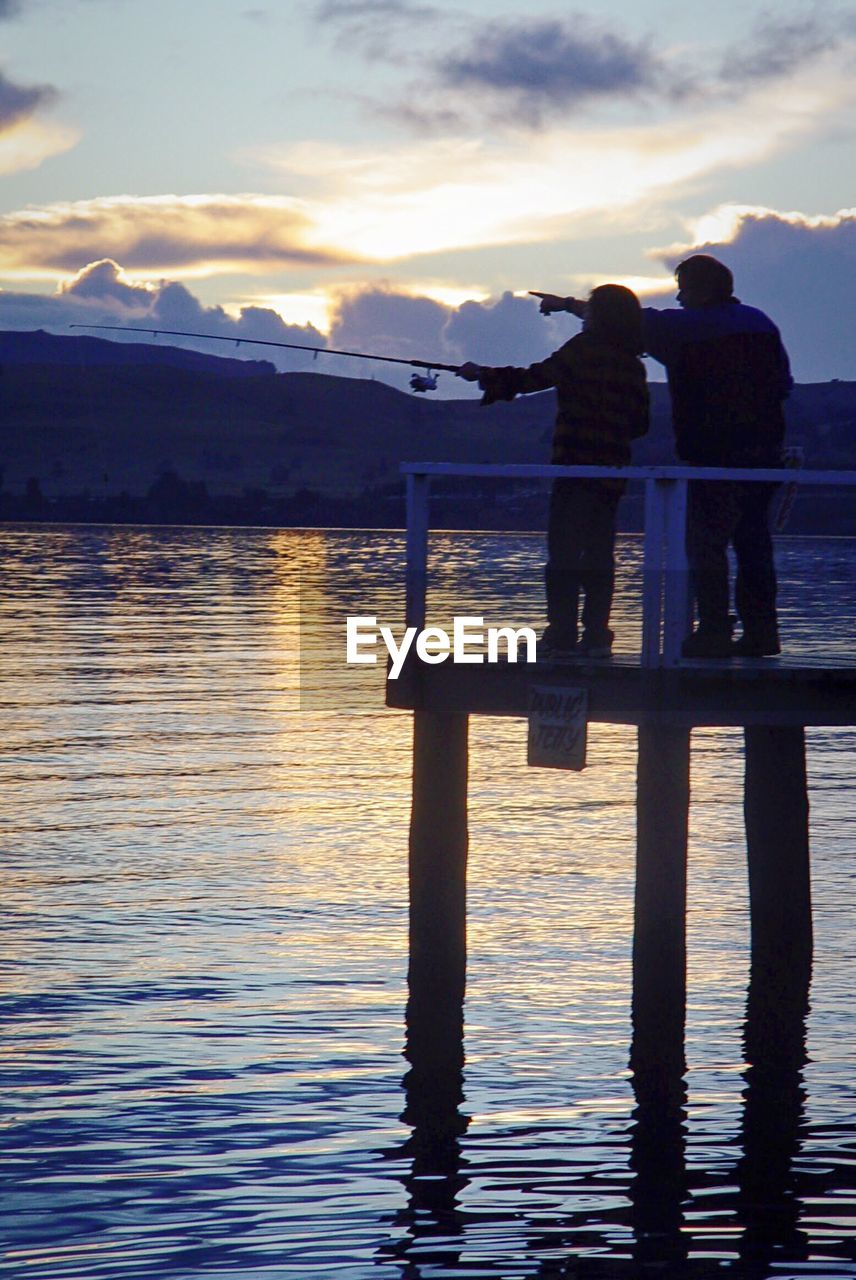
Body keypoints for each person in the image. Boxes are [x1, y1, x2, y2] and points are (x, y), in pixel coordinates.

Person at [532, 255, 793, 657]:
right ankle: (762, 632)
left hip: (714, 453)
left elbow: (625, 319)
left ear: (702, 290)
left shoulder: (685, 327)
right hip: (765, 450)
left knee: (706, 543)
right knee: (753, 540)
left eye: (684, 289)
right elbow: (784, 384)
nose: (679, 297)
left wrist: (567, 304)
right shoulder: (761, 322)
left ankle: (713, 632)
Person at [457, 284, 649, 658]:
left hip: (575, 466)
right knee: (599, 552)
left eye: (591, 308)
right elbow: (640, 423)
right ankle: (596, 635)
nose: (587, 314)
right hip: (612, 473)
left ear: (598, 315)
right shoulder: (632, 363)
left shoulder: (583, 350)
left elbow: (536, 377)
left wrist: (483, 374)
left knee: (563, 552)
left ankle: (560, 633)